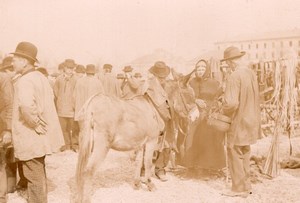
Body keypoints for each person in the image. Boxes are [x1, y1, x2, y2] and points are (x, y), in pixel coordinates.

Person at [11, 41, 64, 202]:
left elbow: (27, 105)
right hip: (39, 136)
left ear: (25, 61)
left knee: (33, 174)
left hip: (30, 134)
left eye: (16, 59)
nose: (12, 62)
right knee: (38, 171)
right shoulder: (40, 77)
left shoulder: (25, 81)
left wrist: (34, 123)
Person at [220, 46, 261, 197]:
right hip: (251, 119)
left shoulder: (234, 76)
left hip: (239, 121)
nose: (228, 65)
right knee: (245, 151)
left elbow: (231, 103)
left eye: (228, 62)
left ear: (231, 62)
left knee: (234, 151)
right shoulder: (250, 74)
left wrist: (222, 108)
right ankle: (247, 185)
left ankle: (238, 188)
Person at [179, 59, 226, 171]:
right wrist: (196, 100)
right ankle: (191, 165)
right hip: (194, 113)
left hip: (209, 114)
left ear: (207, 69)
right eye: (198, 68)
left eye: (202, 68)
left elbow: (218, 98)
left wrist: (213, 106)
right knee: (192, 137)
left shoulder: (214, 83)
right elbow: (185, 97)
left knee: (208, 137)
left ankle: (209, 166)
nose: (200, 70)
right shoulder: (191, 83)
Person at [147, 61, 174, 182]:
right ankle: (143, 168)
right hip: (152, 118)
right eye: (160, 77)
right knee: (148, 143)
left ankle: (160, 168)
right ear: (155, 75)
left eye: (164, 77)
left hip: (167, 118)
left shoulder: (169, 86)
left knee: (166, 143)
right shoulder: (150, 86)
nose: (162, 79)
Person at [53, 59, 79, 152]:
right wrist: (60, 100)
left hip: (72, 109)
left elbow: (78, 93)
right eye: (68, 68)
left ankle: (75, 145)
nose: (70, 70)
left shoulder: (76, 79)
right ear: (64, 68)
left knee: (74, 129)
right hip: (61, 108)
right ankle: (66, 145)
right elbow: (55, 92)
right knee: (63, 129)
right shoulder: (59, 79)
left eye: (72, 68)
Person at [0, 57, 15, 203]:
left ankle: (2, 198)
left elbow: (9, 106)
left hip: (1, 126)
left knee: (1, 163)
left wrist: (7, 130)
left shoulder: (3, 79)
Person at [73, 64, 104, 133]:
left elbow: (74, 96)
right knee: (92, 132)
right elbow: (102, 98)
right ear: (94, 72)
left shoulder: (79, 81)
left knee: (82, 131)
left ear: (86, 72)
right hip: (93, 111)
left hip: (81, 111)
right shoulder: (98, 82)